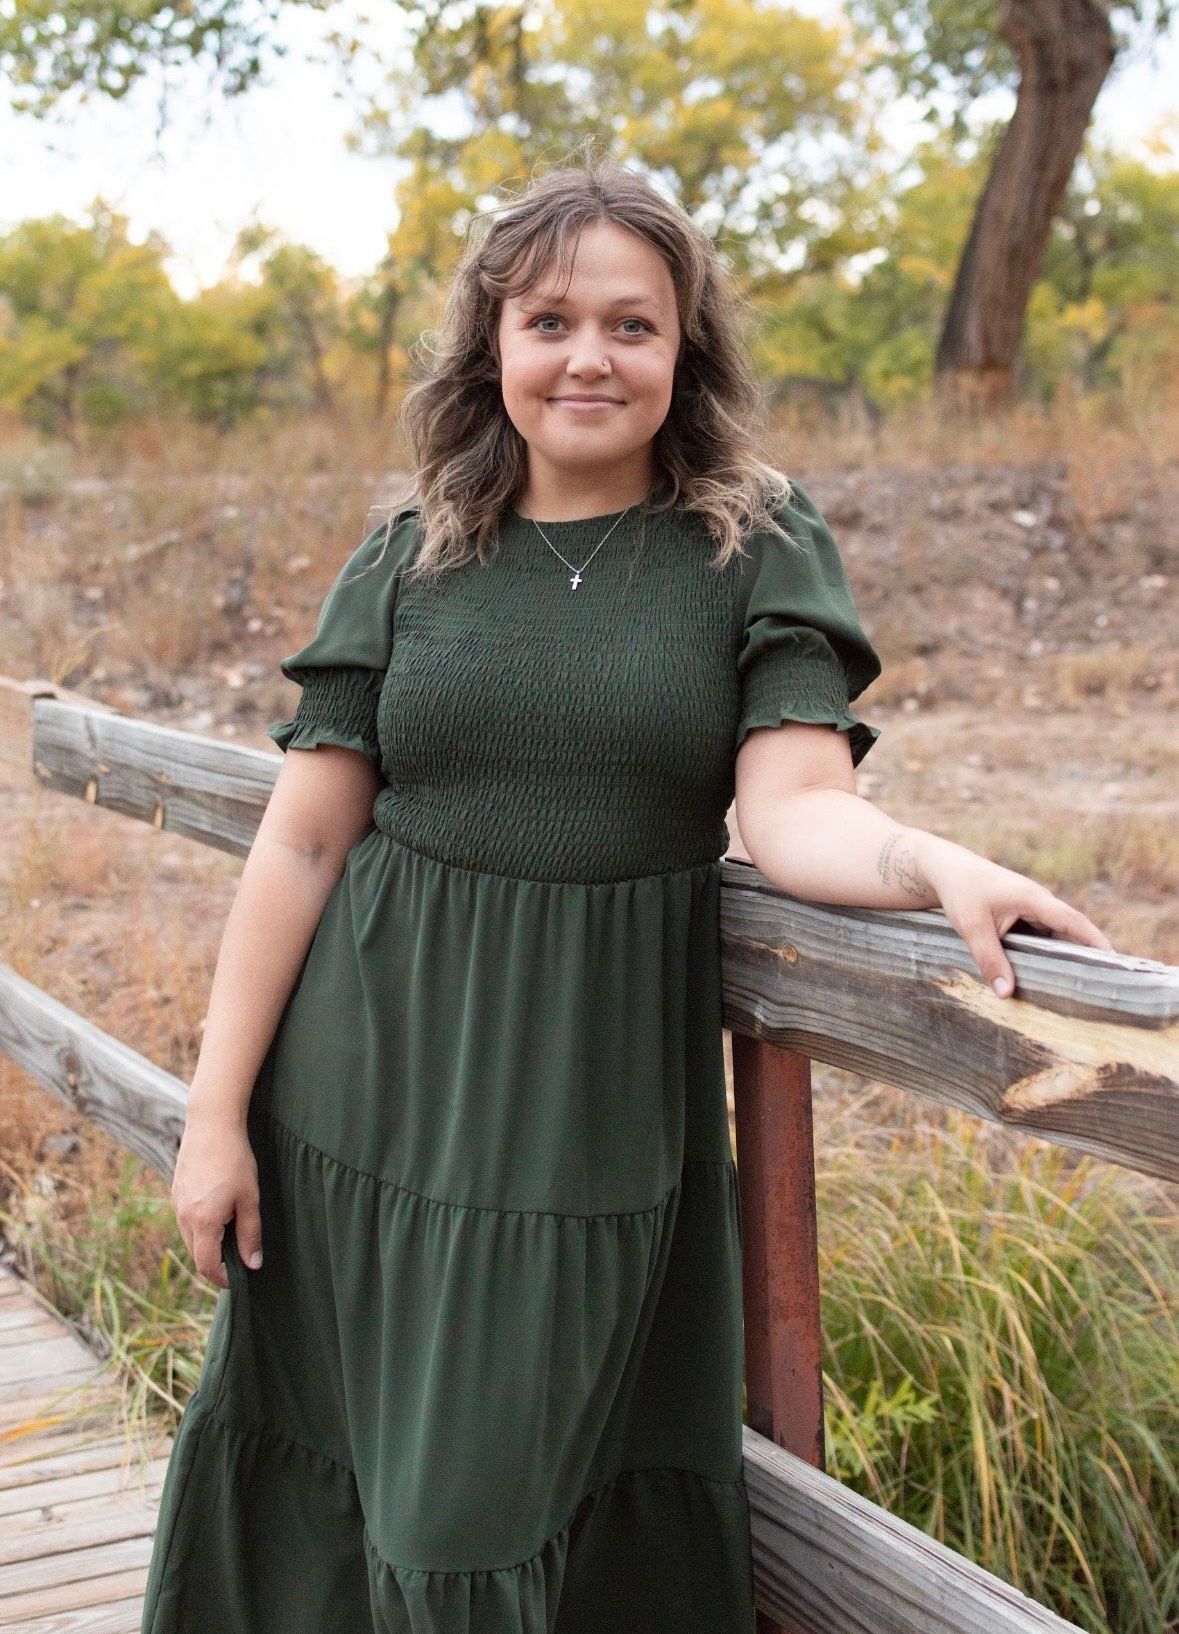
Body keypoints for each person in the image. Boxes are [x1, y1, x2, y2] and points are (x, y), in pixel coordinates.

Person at [141, 154, 1112, 1634]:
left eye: (631, 323)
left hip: (581, 1110)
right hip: (356, 1099)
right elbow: (303, 845)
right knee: (350, 1470)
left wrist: (937, 867)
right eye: (547, 320)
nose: (587, 354)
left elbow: (796, 811)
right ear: (493, 348)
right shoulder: (411, 553)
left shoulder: (750, 545)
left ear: (684, 349)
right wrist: (215, 1116)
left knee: (476, 1505)